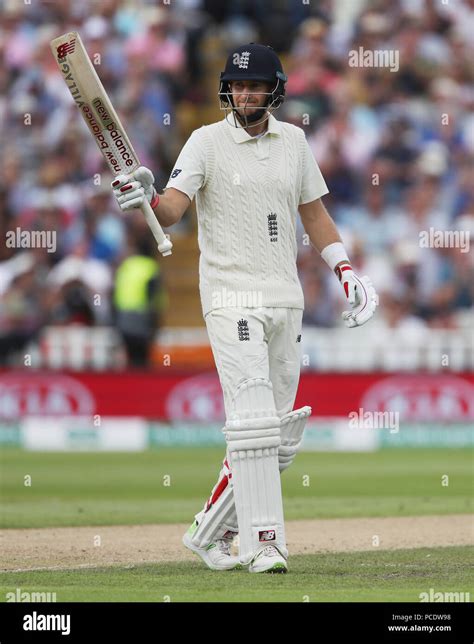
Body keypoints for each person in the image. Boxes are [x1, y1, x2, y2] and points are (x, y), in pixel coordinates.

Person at [112, 44, 378, 573]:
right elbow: (172, 208)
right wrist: (144, 193)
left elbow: (314, 213)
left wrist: (345, 270)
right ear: (226, 89)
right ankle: (263, 544)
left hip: (285, 297)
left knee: (277, 436)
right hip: (230, 294)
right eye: (237, 85)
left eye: (255, 85)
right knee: (254, 422)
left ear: (274, 89)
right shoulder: (205, 141)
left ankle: (210, 532)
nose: (245, 93)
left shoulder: (295, 142)